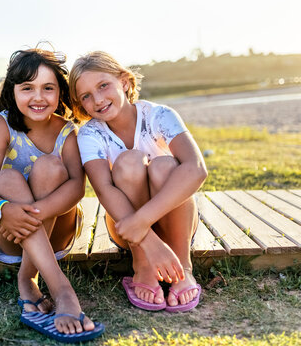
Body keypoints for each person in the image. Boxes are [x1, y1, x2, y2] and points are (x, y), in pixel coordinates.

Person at [0, 48, 104, 343]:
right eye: (27, 88)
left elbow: (76, 188)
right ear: (12, 91)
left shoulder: (67, 132)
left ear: (60, 92)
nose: (38, 97)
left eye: (48, 88)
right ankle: (53, 285)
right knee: (4, 177)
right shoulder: (2, 125)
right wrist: (1, 210)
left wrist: (38, 211)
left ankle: (35, 281)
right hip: (10, 234)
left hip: (58, 231)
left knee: (49, 167)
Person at [69, 51, 208, 312]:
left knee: (165, 165)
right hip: (126, 228)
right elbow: (104, 189)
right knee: (129, 161)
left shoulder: (159, 115)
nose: (97, 100)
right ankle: (142, 265)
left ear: (123, 81)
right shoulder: (89, 134)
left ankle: (183, 264)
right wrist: (147, 239)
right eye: (86, 96)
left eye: (103, 86)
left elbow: (196, 169)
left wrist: (142, 221)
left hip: (173, 222)